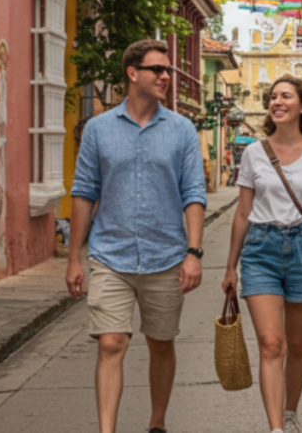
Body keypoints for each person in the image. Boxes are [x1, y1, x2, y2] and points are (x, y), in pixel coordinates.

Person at [67, 39, 207, 433]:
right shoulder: (98, 130)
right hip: (111, 254)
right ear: (133, 73)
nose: (166, 77)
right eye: (157, 70)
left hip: (166, 256)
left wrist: (194, 252)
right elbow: (84, 192)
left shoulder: (181, 130)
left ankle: (157, 424)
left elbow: (193, 193)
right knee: (111, 343)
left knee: (161, 343)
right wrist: (74, 256)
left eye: (168, 71)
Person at [222, 76, 302, 433]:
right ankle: (276, 429)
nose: (277, 101)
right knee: (272, 343)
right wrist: (231, 266)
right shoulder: (254, 152)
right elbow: (243, 213)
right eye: (273, 96)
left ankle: (290, 412)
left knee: (299, 344)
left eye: (286, 96)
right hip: (261, 249)